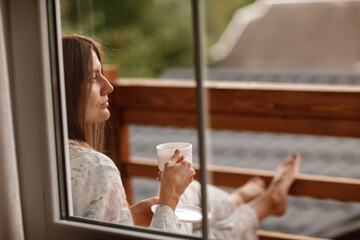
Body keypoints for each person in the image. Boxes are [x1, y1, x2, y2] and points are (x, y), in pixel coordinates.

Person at [63, 34, 301, 239]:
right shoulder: (96, 167)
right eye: (94, 77)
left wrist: (132, 215)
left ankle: (238, 200)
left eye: (103, 74)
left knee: (191, 191)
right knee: (209, 230)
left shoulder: (48, 154)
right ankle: (264, 204)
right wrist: (168, 198)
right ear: (67, 88)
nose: (108, 86)